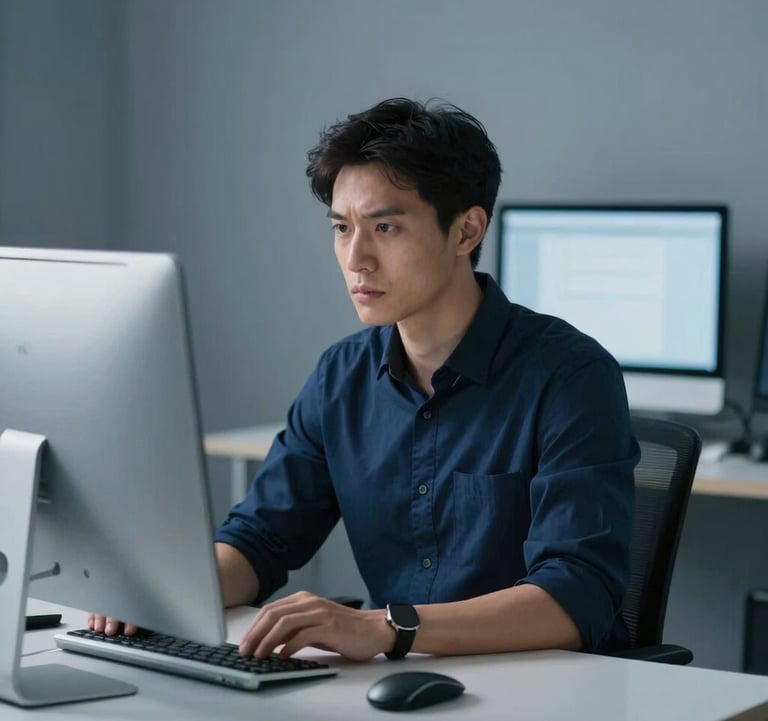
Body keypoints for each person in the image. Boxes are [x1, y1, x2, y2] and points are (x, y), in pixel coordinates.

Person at [90, 97, 639, 662]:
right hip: (400, 685)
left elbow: (577, 595)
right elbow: (259, 540)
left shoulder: (571, 376)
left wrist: (385, 628)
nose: (357, 258)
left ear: (466, 230)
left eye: (385, 227)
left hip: (546, 688)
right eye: (341, 227)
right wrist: (159, 596)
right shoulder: (342, 376)